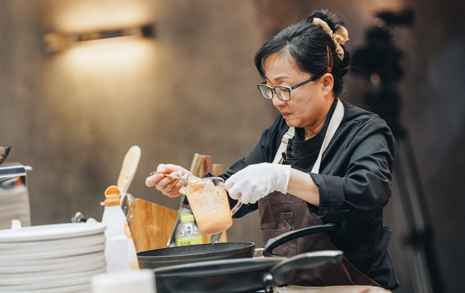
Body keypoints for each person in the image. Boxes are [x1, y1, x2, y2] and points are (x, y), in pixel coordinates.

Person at [146, 9, 399, 290]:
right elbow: (233, 194)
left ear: (325, 83)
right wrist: (192, 186)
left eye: (284, 89)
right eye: (269, 89)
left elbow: (365, 194)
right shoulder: (280, 134)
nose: (277, 101)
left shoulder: (366, 131)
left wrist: (283, 178)